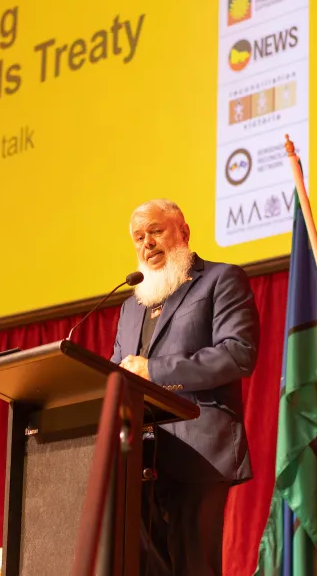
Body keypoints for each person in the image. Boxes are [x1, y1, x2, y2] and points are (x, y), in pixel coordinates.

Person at [111, 199, 260, 576]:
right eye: (139, 237)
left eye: (156, 231)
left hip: (199, 450)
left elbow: (237, 354)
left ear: (183, 232)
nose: (147, 243)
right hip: (137, 460)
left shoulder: (220, 280)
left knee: (194, 567)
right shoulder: (132, 307)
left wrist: (154, 372)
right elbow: (117, 371)